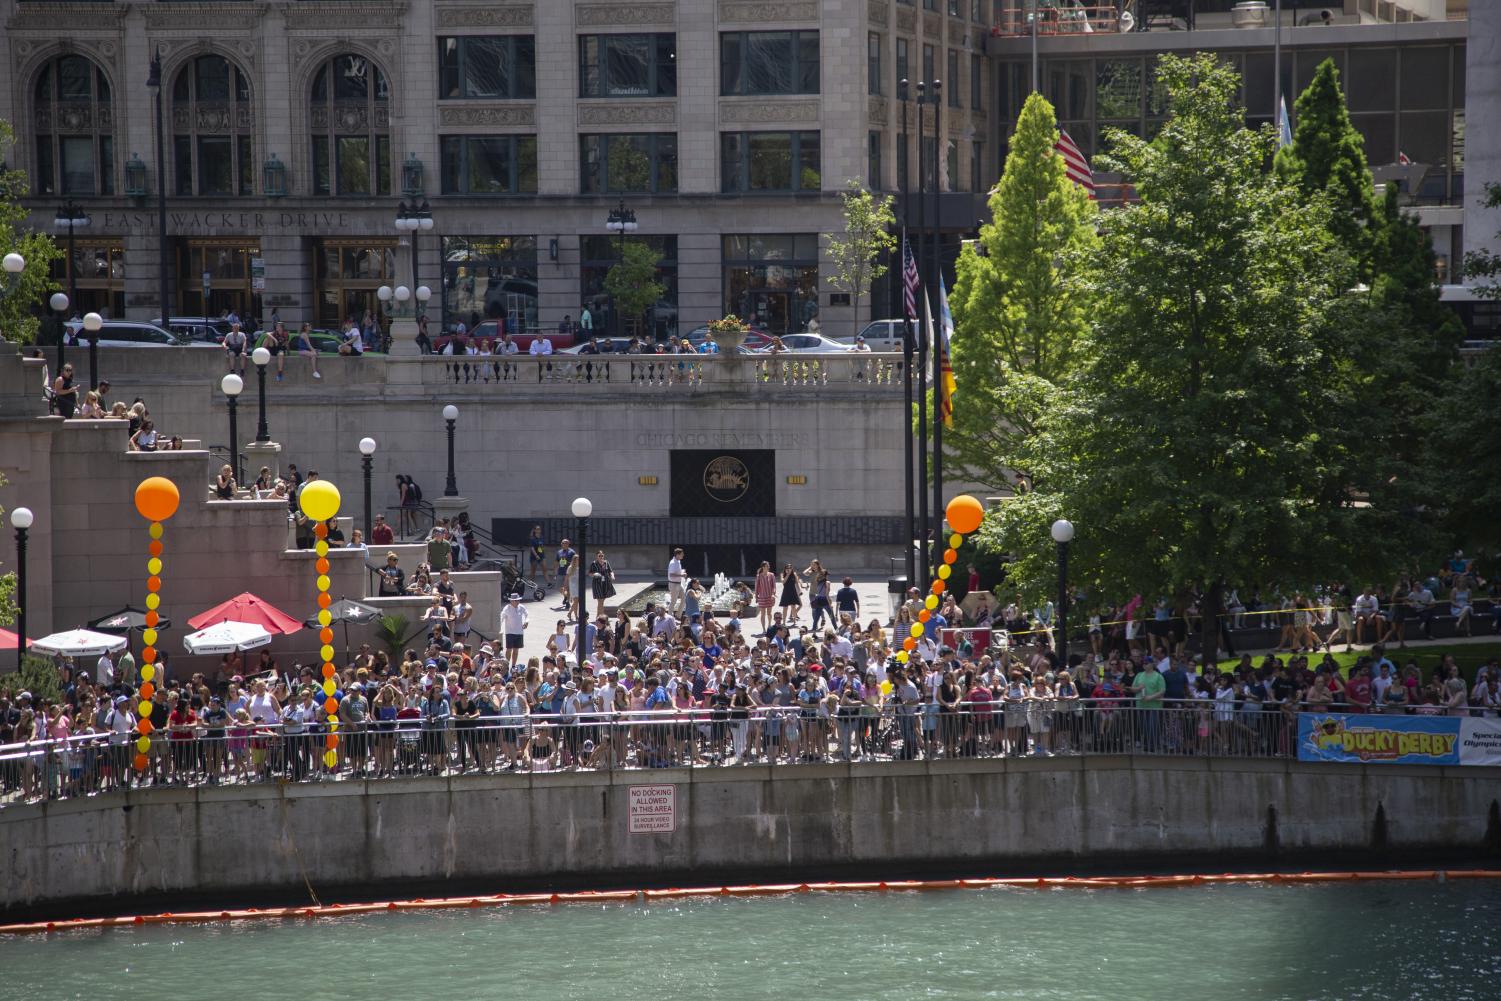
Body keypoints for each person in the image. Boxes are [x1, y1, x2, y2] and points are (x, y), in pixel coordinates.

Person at [500, 593, 529, 669]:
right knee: (509, 650)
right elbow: (502, 616)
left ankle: (513, 666)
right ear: (511, 601)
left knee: (516, 650)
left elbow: (527, 614)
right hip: (509, 632)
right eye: (515, 600)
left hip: (519, 632)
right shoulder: (507, 608)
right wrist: (499, 625)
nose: (517, 602)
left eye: (518, 600)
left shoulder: (521, 607)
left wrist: (526, 621)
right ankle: (506, 665)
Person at [589, 550, 616, 621]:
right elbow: (590, 573)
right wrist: (594, 574)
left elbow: (610, 571)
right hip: (597, 583)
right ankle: (602, 617)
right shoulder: (594, 563)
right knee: (600, 601)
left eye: (602, 556)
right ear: (596, 556)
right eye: (599, 556)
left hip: (606, 583)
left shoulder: (606, 562)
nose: (601, 557)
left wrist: (612, 576)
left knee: (601, 601)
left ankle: (598, 616)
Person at [666, 548, 687, 616]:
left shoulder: (678, 561)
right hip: (673, 584)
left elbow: (675, 572)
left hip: (678, 584)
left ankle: (678, 615)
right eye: (682, 554)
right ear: (677, 555)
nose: (683, 555)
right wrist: (681, 575)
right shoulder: (673, 563)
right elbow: (671, 574)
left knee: (684, 599)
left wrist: (682, 572)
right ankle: (669, 617)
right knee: (673, 601)